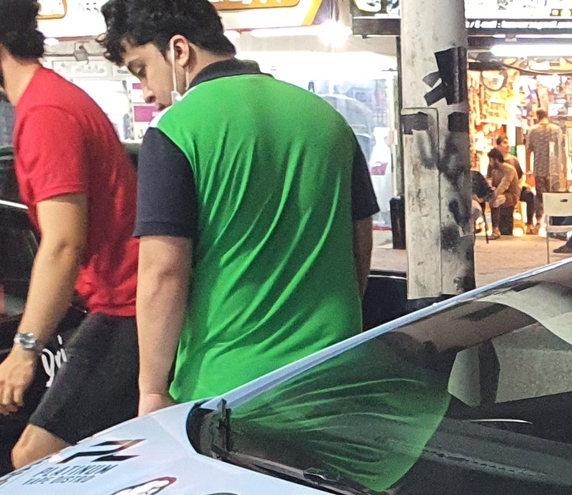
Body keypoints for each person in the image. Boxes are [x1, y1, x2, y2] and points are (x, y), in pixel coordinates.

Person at [104, 0, 378, 413]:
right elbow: (359, 250)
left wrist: (152, 389)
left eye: (142, 69)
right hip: (332, 379)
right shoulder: (328, 120)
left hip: (229, 393)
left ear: (179, 51)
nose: (145, 89)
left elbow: (163, 272)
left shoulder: (176, 131)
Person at [0, 0, 140, 464]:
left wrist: (24, 352)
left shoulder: (46, 114)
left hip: (128, 307)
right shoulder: (50, 102)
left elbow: (62, 244)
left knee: (35, 456)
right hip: (127, 303)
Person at [485, 145, 521, 236]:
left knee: (498, 199)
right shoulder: (494, 170)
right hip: (499, 194)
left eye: (491, 160)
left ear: (495, 160)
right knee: (494, 199)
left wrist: (493, 195)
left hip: (511, 195)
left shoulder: (509, 169)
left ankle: (496, 229)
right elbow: (490, 182)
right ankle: (495, 228)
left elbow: (503, 185)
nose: (490, 163)